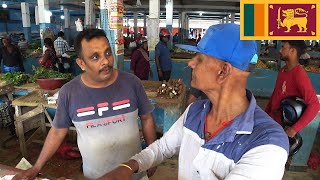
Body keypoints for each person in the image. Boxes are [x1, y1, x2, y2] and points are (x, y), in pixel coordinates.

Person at [100, 24, 289, 180]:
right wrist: (128, 166)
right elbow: (163, 147)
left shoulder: (267, 144)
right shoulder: (195, 111)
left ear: (223, 71)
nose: (191, 63)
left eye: (199, 59)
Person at [13, 29, 157, 180]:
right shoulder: (69, 92)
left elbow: (146, 118)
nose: (106, 61)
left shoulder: (132, 83)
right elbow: (57, 132)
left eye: (108, 53)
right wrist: (36, 167)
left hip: (134, 174)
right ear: (81, 63)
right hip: (95, 176)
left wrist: (151, 157)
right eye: (95, 57)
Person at [265, 41, 320, 138]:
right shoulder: (283, 70)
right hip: (273, 121)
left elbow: (314, 104)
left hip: (284, 126)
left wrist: (294, 129)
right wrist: (266, 114)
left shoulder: (299, 74)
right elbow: (276, 94)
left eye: (283, 47)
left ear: (292, 51)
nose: (280, 50)